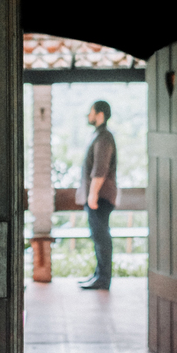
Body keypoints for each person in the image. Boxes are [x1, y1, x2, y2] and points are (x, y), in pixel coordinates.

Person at [77, 100, 119, 290]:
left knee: (101, 238)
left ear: (100, 114)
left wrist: (92, 195)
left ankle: (103, 279)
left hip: (99, 197)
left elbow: (100, 169)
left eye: (91, 112)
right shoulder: (99, 135)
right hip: (96, 196)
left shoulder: (104, 138)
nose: (89, 115)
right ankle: (98, 275)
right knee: (98, 236)